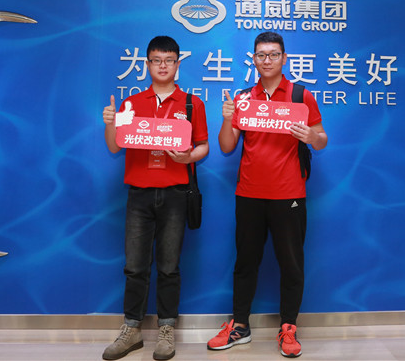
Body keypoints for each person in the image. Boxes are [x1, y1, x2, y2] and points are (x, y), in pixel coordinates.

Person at [207, 32, 327, 358]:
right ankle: (240, 326)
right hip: (249, 192)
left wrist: (311, 136)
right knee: (245, 262)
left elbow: (322, 139)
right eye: (261, 55)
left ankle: (288, 327)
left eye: (273, 54)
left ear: (284, 58)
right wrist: (228, 119)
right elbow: (227, 146)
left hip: (289, 193)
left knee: (291, 264)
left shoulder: (301, 95)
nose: (267, 60)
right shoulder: (244, 97)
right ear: (254, 60)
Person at [102, 35, 209, 361]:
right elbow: (114, 146)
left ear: (177, 64)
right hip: (139, 195)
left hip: (175, 195)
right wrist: (110, 123)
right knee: (135, 266)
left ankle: (166, 329)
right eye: (157, 60)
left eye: (169, 60)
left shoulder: (192, 104)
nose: (163, 66)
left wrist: (187, 157)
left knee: (169, 266)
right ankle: (132, 329)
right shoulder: (131, 104)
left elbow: (203, 147)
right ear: (147, 64)